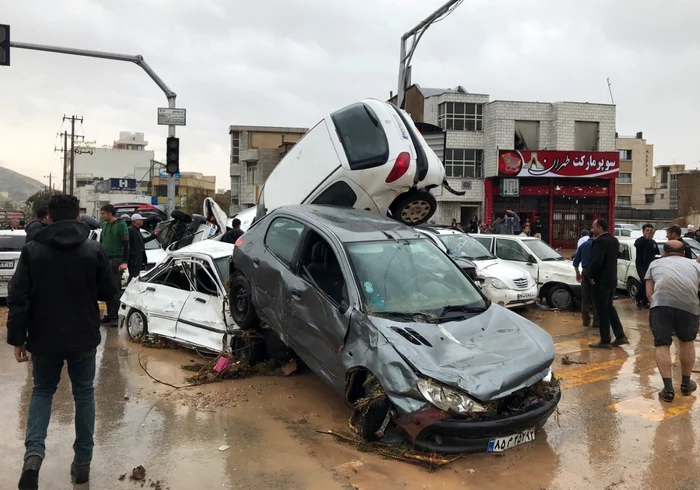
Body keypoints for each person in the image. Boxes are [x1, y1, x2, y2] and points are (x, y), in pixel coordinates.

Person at [6, 194, 117, 488]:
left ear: (49, 219)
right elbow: (109, 292)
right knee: (83, 394)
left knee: (42, 391)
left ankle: (33, 458)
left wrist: (18, 338)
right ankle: (82, 464)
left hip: (43, 336)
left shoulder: (32, 250)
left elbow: (17, 297)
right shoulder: (94, 249)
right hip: (83, 335)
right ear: (79, 217)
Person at [645, 240, 700, 402]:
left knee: (662, 344)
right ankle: (685, 384)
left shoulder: (655, 264)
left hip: (661, 304)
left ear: (665, 253)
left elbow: (649, 292)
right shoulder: (695, 266)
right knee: (687, 341)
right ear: (684, 253)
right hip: (689, 306)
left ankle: (668, 390)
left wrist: (655, 305)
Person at [588, 218, 629, 349]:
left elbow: (596, 261)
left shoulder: (600, 242)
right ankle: (620, 335)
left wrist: (590, 275)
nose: (592, 229)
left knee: (602, 310)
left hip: (601, 281)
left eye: (593, 226)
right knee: (609, 308)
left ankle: (605, 340)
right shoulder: (614, 240)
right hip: (612, 280)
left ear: (600, 228)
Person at [99, 204, 129, 326]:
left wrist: (125, 262)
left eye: (103, 213)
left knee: (114, 288)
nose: (101, 216)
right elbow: (101, 242)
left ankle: (115, 316)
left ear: (109, 214)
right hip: (105, 259)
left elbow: (126, 244)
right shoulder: (104, 225)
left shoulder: (121, 225)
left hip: (116, 260)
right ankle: (109, 314)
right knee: (106, 287)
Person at [573, 231, 598, 328]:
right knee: (596, 297)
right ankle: (596, 321)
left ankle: (586, 320)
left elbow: (575, 263)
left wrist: (578, 273)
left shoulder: (583, 246)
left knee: (585, 297)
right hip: (596, 272)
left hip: (585, 271)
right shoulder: (598, 246)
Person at [127, 213, 157, 283]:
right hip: (133, 260)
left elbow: (142, 241)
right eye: (140, 220)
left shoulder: (137, 230)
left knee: (135, 276)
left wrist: (154, 235)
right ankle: (130, 290)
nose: (142, 221)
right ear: (135, 221)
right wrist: (131, 256)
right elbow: (127, 245)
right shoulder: (130, 230)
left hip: (138, 259)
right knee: (133, 277)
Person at [634, 224, 658, 309]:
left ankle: (645, 301)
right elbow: (638, 246)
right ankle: (639, 299)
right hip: (641, 265)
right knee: (645, 281)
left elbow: (657, 254)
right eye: (647, 230)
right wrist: (646, 239)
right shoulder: (639, 241)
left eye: (650, 231)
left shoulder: (653, 242)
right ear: (643, 231)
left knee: (650, 283)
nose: (649, 232)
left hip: (651, 265)